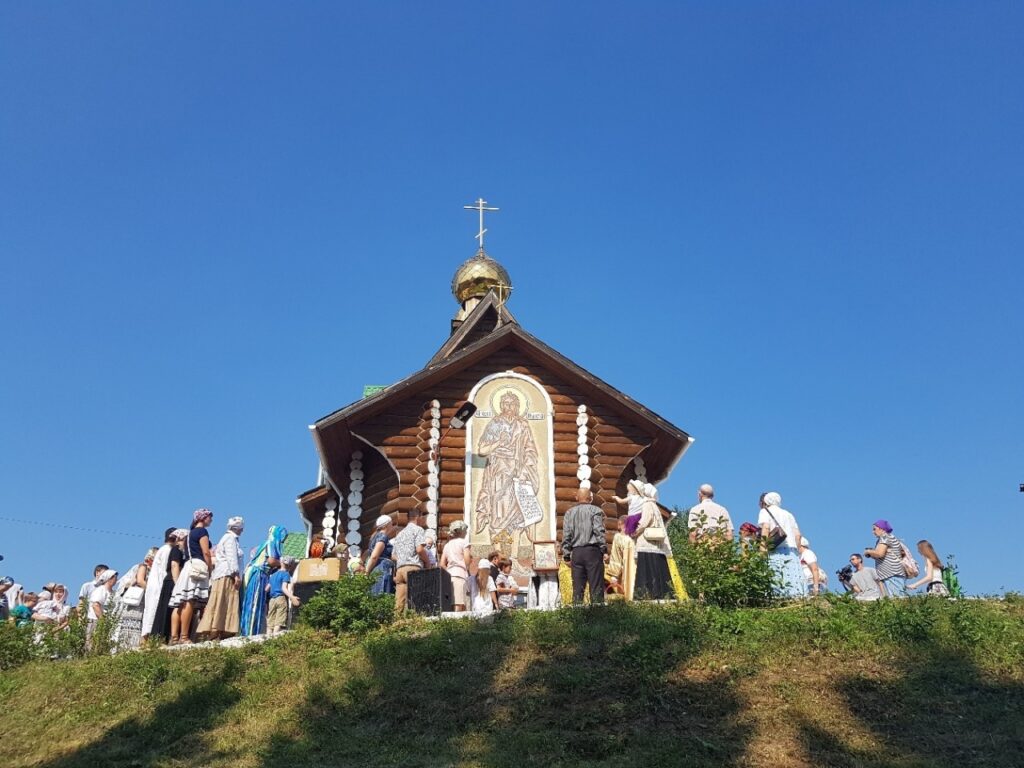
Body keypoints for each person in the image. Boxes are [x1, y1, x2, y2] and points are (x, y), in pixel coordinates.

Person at [474, 391, 542, 555]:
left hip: (518, 475)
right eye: (506, 403)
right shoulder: (495, 424)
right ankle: (498, 556)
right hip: (499, 474)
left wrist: (525, 470)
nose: (509, 407)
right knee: (498, 513)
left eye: (512, 404)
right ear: (501, 405)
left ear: (518, 406)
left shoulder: (523, 425)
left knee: (518, 514)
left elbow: (530, 449)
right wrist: (499, 441)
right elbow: (482, 450)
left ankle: (514, 557)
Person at [169, 508, 215, 644]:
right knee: (189, 600)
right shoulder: (202, 532)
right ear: (203, 518)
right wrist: (209, 568)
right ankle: (184, 636)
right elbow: (206, 552)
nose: (211, 519)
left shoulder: (189, 534)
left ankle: (174, 636)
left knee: (180, 602)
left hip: (188, 566)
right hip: (197, 566)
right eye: (209, 517)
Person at [197, 516, 245, 641]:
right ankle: (217, 628)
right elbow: (231, 557)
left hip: (224, 573)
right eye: (241, 527)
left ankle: (222, 628)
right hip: (227, 574)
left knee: (223, 600)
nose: (242, 530)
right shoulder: (230, 538)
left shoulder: (230, 538)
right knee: (223, 600)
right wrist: (236, 574)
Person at [561, 487, 607, 605]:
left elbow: (566, 535)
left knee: (578, 588)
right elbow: (598, 531)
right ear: (590, 498)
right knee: (596, 586)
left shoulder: (569, 513)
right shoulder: (596, 511)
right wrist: (604, 549)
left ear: (577, 497)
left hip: (576, 553)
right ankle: (598, 612)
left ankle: (578, 613)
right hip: (592, 552)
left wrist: (566, 555)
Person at [241, 525, 287, 636]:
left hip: (261, 574)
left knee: (257, 604)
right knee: (254, 603)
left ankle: (252, 631)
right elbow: (271, 560)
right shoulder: (271, 543)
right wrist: (282, 564)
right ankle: (249, 633)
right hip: (258, 575)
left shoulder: (265, 543)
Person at [758, 492, 805, 597]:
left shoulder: (765, 511)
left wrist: (762, 548)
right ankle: (797, 598)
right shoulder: (788, 514)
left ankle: (778, 598)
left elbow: (766, 528)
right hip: (791, 551)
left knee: (777, 577)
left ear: (766, 501)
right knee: (794, 578)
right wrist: (797, 550)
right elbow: (798, 535)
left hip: (776, 549)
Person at [633, 484, 673, 600]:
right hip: (656, 543)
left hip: (647, 542)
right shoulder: (653, 505)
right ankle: (661, 594)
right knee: (657, 569)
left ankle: (645, 595)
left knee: (646, 570)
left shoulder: (647, 504)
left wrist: (635, 531)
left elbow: (645, 521)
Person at [142, 528, 180, 642]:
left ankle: (148, 640)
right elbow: (164, 570)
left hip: (154, 584)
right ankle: (150, 640)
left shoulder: (163, 549)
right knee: (154, 612)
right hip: (158, 585)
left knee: (150, 612)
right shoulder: (167, 550)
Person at [112, 549, 154, 650]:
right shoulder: (143, 567)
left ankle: (130, 647)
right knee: (133, 622)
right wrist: (151, 591)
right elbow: (139, 581)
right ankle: (128, 647)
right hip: (138, 601)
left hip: (140, 601)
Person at [392, 507, 429, 615]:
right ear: (418, 517)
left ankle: (397, 622)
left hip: (400, 570)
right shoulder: (418, 530)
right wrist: (427, 562)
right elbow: (419, 549)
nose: (423, 520)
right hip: (413, 567)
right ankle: (413, 622)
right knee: (415, 599)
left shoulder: (400, 534)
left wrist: (403, 559)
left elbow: (393, 556)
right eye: (422, 517)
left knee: (399, 603)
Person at [863, 519, 906, 597]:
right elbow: (881, 556)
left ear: (881, 529)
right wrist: (872, 554)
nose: (873, 532)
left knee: (897, 598)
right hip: (890, 574)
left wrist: (868, 551)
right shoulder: (885, 538)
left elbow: (880, 553)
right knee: (896, 598)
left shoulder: (885, 537)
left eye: (874, 529)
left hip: (892, 574)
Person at [440, 520, 472, 611]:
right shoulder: (463, 542)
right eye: (465, 531)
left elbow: (442, 564)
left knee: (450, 602)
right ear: (462, 531)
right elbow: (467, 559)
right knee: (458, 603)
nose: (466, 532)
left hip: (449, 575)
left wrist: (449, 571)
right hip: (460, 574)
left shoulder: (447, 545)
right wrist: (467, 569)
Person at [604, 517, 636, 600]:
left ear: (620, 524)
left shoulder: (619, 537)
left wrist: (614, 576)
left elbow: (616, 557)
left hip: (627, 574)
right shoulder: (637, 537)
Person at [267, 557, 300, 634]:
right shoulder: (286, 574)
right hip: (280, 598)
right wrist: (292, 597)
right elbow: (284, 588)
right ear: (290, 566)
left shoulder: (273, 575)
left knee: (270, 623)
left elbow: (267, 588)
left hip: (271, 600)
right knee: (279, 621)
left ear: (281, 563)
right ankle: (274, 637)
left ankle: (268, 637)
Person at [364, 515, 396, 595]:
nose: (392, 526)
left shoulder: (374, 537)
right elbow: (374, 556)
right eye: (391, 524)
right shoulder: (383, 536)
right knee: (381, 594)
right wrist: (366, 573)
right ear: (387, 525)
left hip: (377, 569)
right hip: (382, 569)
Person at [87, 569, 118, 643]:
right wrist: (102, 621)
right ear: (109, 578)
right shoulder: (101, 590)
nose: (116, 580)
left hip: (107, 623)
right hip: (96, 621)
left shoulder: (113, 593)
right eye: (115, 578)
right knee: (93, 644)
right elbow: (96, 605)